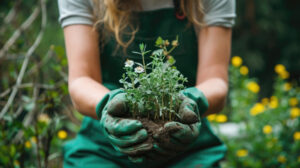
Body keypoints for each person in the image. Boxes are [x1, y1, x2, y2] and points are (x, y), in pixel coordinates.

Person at [58, 0, 236, 167]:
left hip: (187, 147)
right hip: (104, 148)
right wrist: (109, 105)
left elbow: (215, 80)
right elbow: (82, 79)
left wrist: (191, 101)